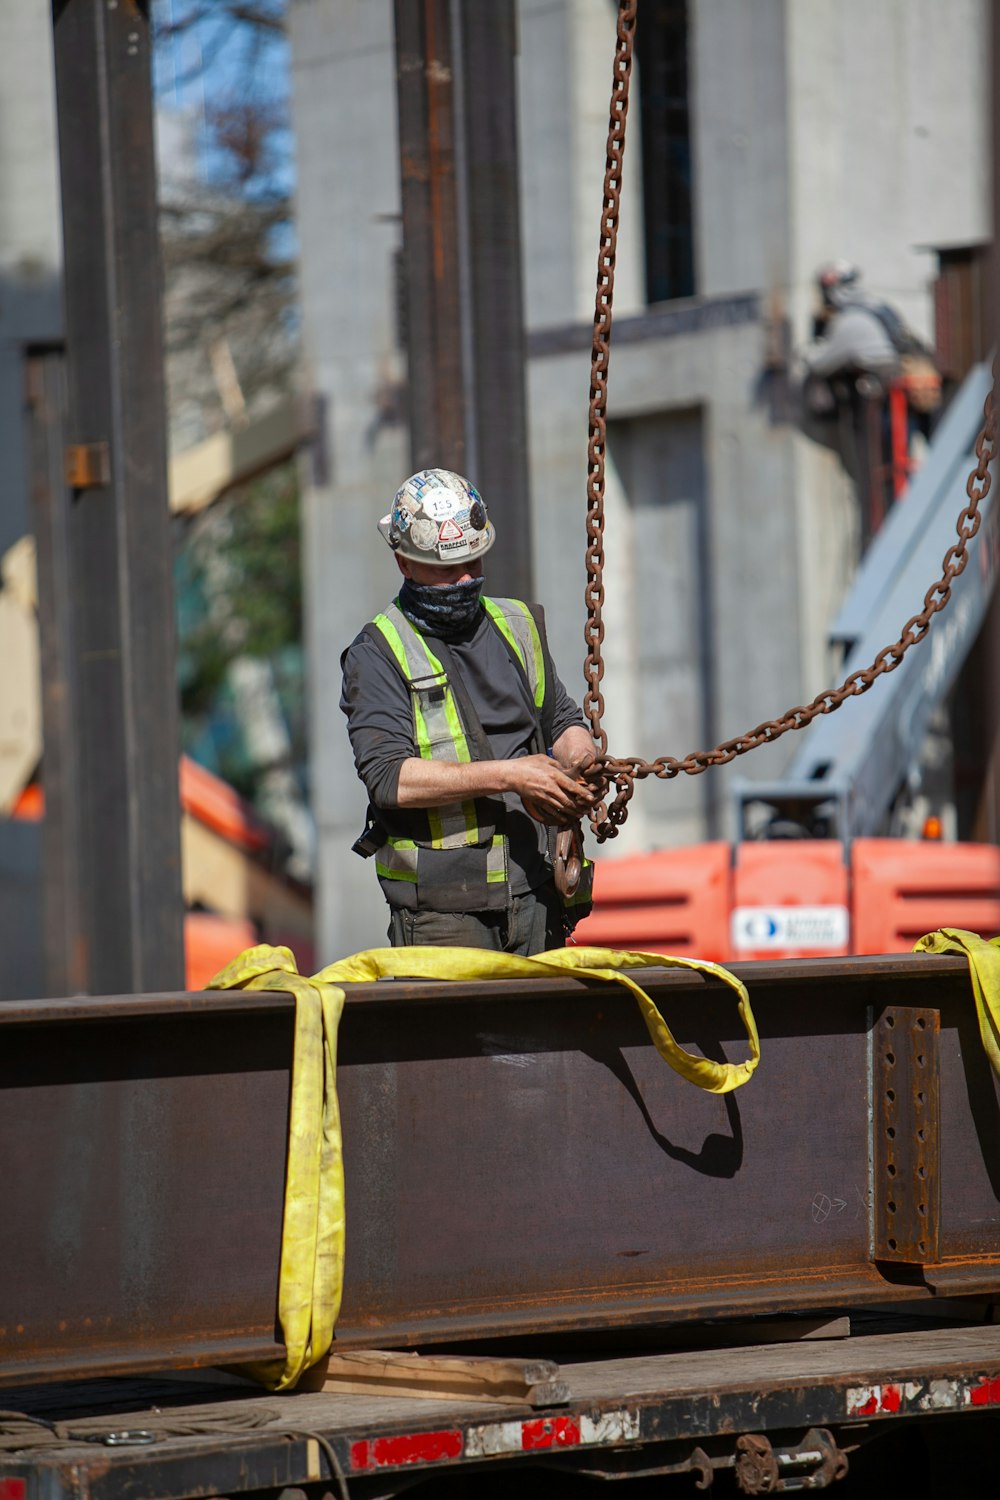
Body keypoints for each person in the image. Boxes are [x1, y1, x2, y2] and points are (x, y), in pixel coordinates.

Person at [340, 468, 600, 955]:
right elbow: (389, 778)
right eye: (445, 570)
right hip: (443, 915)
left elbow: (559, 719)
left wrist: (581, 756)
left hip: (536, 893)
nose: (463, 580)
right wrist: (512, 776)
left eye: (473, 564)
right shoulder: (377, 653)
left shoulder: (518, 625)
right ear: (404, 563)